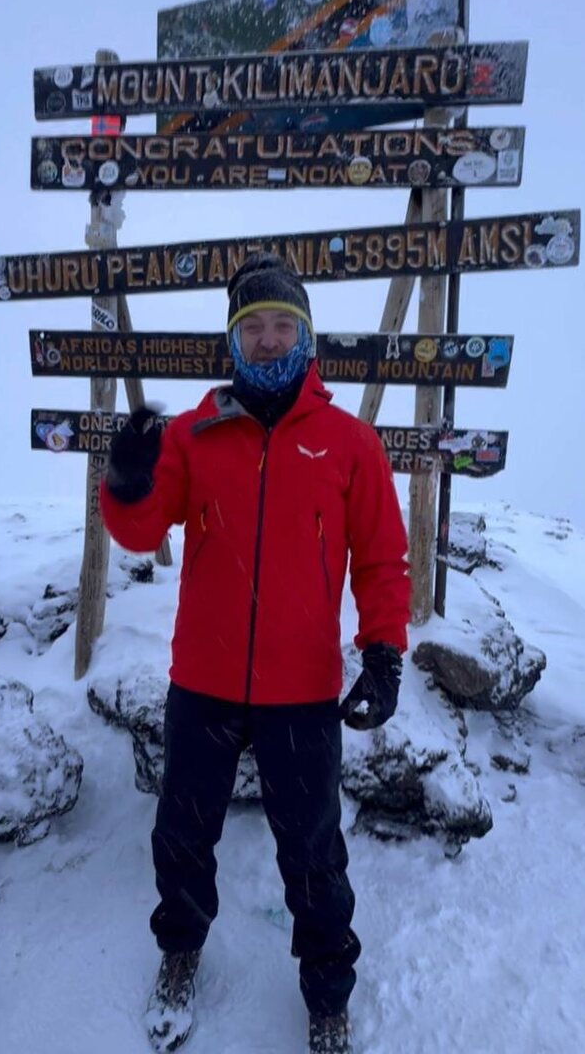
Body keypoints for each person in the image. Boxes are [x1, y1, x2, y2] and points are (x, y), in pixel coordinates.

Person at [100, 253, 411, 1054]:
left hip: (301, 690)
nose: (268, 339)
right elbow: (140, 529)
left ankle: (327, 997)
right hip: (202, 681)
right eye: (252, 327)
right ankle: (179, 951)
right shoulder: (194, 433)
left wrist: (383, 651)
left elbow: (382, 559)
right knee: (181, 835)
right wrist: (126, 485)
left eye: (282, 325)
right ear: (232, 341)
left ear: (305, 337)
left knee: (312, 853)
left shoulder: (349, 443)